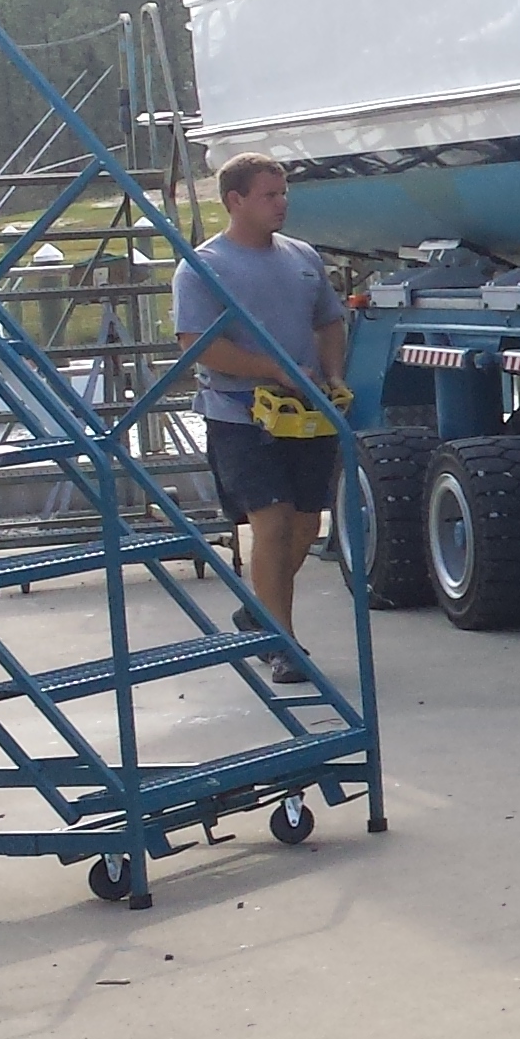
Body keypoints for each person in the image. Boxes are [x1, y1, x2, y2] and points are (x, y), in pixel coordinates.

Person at [174, 154, 350, 684]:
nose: (282, 203)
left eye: (283, 193)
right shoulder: (203, 267)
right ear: (235, 201)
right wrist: (274, 369)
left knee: (305, 524)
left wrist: (332, 374)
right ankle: (282, 643)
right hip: (240, 414)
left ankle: (258, 614)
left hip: (304, 412)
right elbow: (197, 345)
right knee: (271, 523)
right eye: (269, 195)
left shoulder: (302, 257)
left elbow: (329, 321)